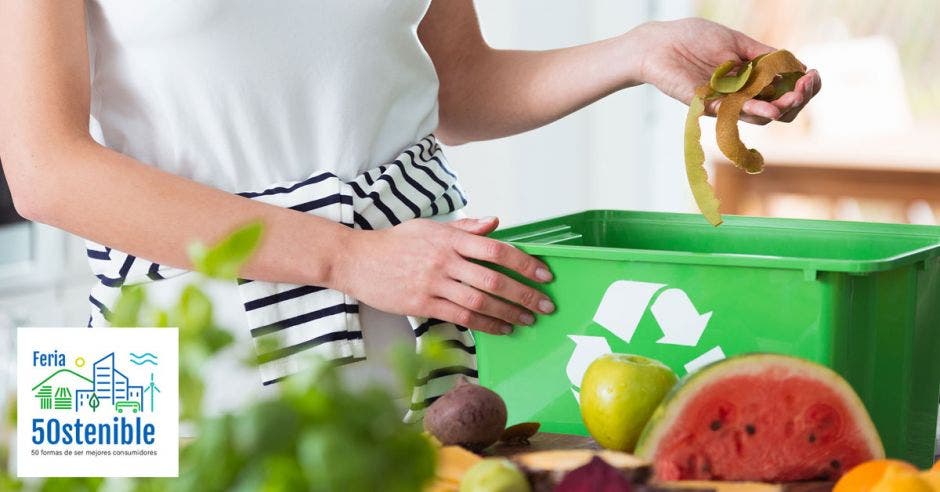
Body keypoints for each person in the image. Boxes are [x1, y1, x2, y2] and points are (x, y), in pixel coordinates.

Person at [0, 1, 820, 400]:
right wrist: (347, 258)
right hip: (175, 349)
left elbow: (454, 87)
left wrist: (639, 51)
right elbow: (44, 167)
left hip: (421, 326)